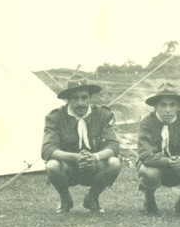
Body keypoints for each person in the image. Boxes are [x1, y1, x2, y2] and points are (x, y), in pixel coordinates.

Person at [42, 74, 121, 214]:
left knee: (114, 162)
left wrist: (95, 157)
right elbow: (48, 149)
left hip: (95, 165)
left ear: (90, 98)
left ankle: (92, 197)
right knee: (52, 165)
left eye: (84, 98)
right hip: (68, 167)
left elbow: (113, 145)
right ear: (68, 100)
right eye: (75, 98)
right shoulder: (55, 117)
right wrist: (75, 157)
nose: (80, 103)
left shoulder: (102, 114)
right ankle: (65, 200)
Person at [137, 82, 180, 216]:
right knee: (148, 172)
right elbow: (145, 153)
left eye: (172, 105)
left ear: (178, 107)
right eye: (163, 105)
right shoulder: (146, 122)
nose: (168, 110)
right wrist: (166, 161)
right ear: (155, 106)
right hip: (155, 165)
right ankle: (149, 202)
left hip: (178, 164)